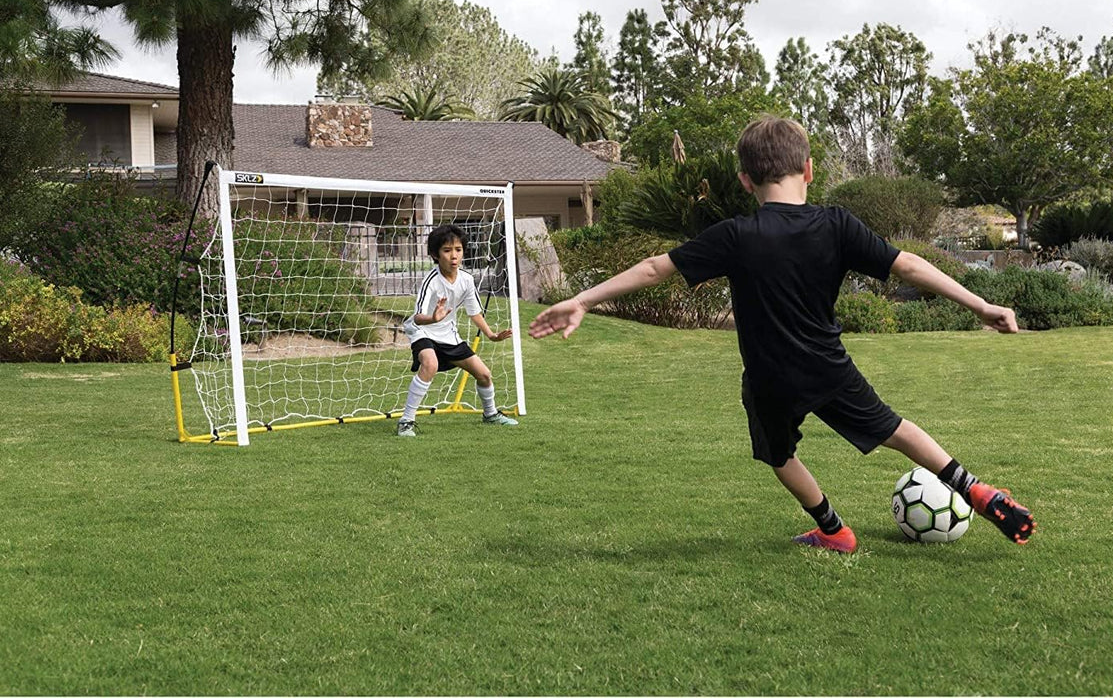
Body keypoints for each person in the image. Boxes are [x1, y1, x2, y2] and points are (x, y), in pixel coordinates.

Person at [529, 116, 1035, 552]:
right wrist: (981, 304)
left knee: (779, 455)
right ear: (809, 170)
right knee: (895, 431)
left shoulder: (736, 235)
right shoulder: (836, 225)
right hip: (827, 368)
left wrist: (582, 299)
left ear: (746, 181)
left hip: (769, 377)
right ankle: (972, 488)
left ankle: (834, 531)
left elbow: (652, 268)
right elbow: (910, 266)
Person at [396, 224, 518, 437]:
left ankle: (490, 415)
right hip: (422, 331)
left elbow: (474, 313)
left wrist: (491, 335)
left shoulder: (467, 280)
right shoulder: (431, 281)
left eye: (458, 250)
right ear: (435, 255)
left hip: (448, 334)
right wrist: (433, 318)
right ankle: (406, 422)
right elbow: (417, 317)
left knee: (484, 374)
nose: (454, 256)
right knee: (430, 364)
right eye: (447, 250)